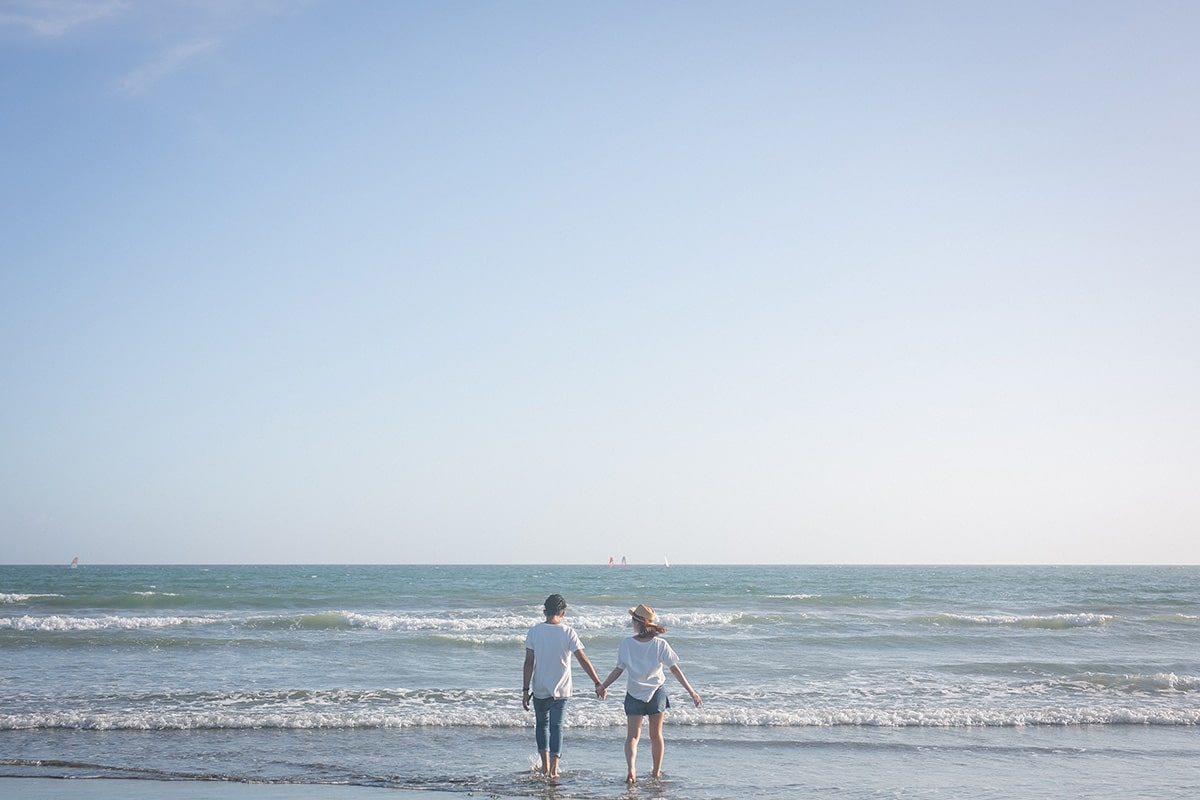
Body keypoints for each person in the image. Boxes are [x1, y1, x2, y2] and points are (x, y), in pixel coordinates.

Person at [598, 603, 701, 783]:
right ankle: (656, 772)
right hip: (656, 694)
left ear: (636, 622)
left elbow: (618, 670)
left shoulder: (627, 643)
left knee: (632, 736)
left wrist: (603, 686)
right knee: (656, 736)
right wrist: (691, 692)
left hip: (634, 693)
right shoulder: (660, 644)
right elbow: (675, 670)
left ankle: (631, 770)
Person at [522, 593, 604, 778]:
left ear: (544, 611)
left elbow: (529, 662)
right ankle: (554, 770)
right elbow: (582, 659)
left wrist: (525, 690)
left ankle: (544, 766)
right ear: (563, 613)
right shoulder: (568, 632)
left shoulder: (534, 631)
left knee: (541, 725)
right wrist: (597, 682)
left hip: (540, 688)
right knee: (556, 727)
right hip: (562, 689)